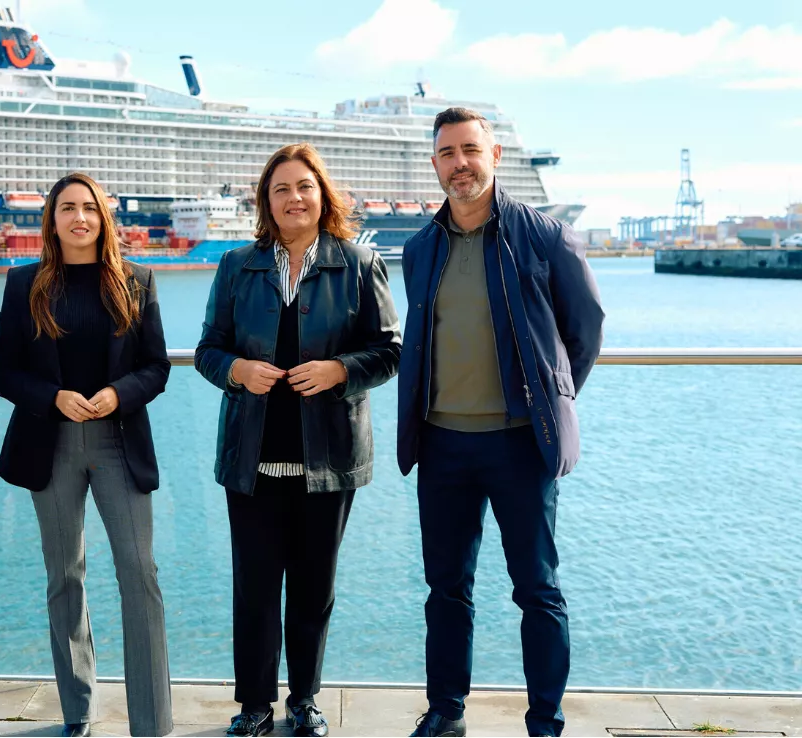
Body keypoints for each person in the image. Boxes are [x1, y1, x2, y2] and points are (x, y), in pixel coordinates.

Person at [397, 107, 605, 738]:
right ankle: (445, 712)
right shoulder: (420, 247)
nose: (459, 163)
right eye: (447, 153)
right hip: (442, 443)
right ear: (435, 164)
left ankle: (545, 723)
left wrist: (550, 403)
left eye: (470, 150)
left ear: (494, 157)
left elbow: (585, 330)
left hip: (519, 444)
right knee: (445, 589)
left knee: (537, 589)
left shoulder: (545, 237)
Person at [195, 143, 401, 738]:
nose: (294, 198)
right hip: (251, 455)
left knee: (314, 588)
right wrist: (237, 370)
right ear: (266, 200)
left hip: (328, 457)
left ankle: (304, 700)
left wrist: (340, 370)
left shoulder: (359, 264)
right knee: (254, 588)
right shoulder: (236, 266)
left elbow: (390, 351)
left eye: (304, 186)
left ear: (322, 195)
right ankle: (254, 705)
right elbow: (208, 350)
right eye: (281, 188)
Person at [0, 172, 173, 738]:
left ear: (104, 217)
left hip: (119, 441)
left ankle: (152, 721)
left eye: (89, 207)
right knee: (64, 575)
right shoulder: (23, 284)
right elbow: (4, 372)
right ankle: (78, 711)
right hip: (50, 444)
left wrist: (119, 393)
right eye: (67, 207)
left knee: (139, 572)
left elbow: (156, 366)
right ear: (52, 218)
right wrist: (53, 398)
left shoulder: (137, 280)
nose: (80, 217)